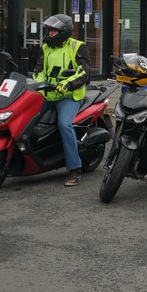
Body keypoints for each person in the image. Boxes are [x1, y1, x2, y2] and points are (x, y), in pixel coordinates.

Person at [32, 14, 91, 187]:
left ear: (63, 32)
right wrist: (38, 83)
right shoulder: (46, 47)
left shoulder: (77, 46)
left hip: (69, 96)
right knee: (27, 117)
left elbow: (84, 73)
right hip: (48, 94)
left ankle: (75, 169)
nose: (49, 33)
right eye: (48, 30)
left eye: (53, 30)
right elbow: (39, 69)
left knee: (64, 125)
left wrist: (66, 85)